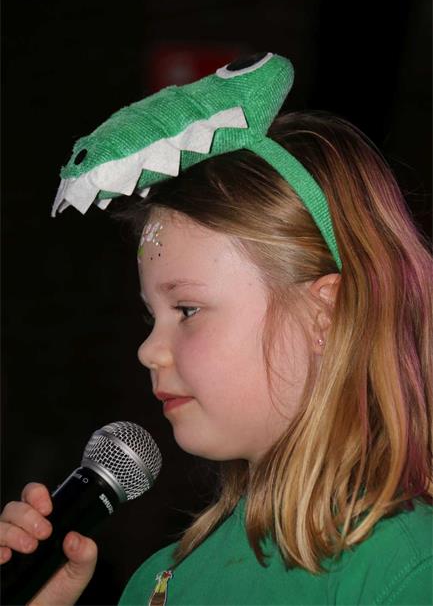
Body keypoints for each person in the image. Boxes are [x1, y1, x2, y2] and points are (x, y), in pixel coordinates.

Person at [1, 54, 432, 605]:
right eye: (151, 316)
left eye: (187, 310)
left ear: (324, 314)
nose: (148, 350)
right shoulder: (160, 582)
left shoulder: (404, 568)